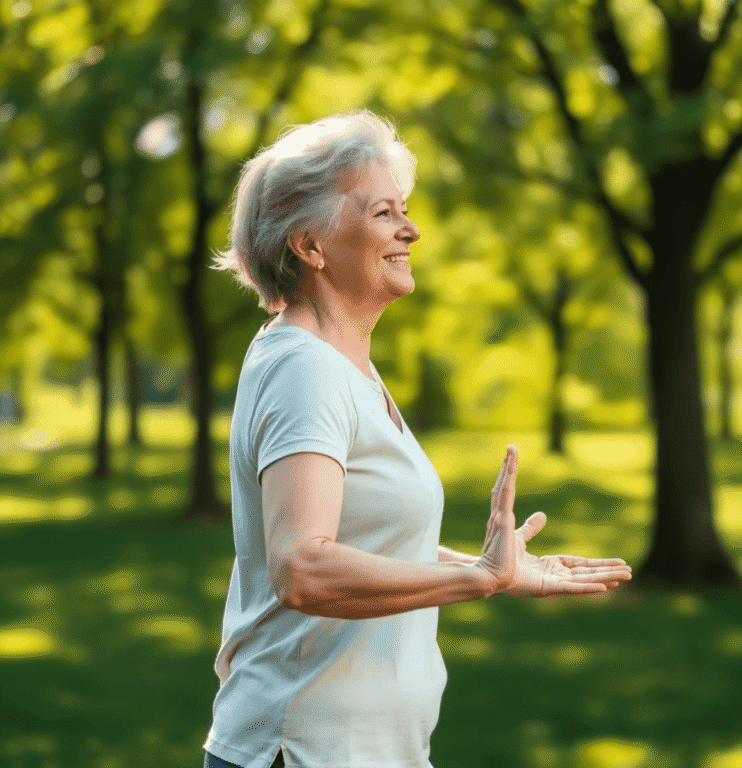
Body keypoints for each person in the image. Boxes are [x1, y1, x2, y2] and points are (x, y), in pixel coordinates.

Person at [203, 110, 632, 768]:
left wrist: (493, 568)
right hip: (306, 751)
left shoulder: (341, 364)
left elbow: (361, 539)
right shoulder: (304, 369)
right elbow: (302, 566)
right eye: (383, 213)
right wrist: (475, 582)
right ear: (310, 245)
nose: (412, 230)